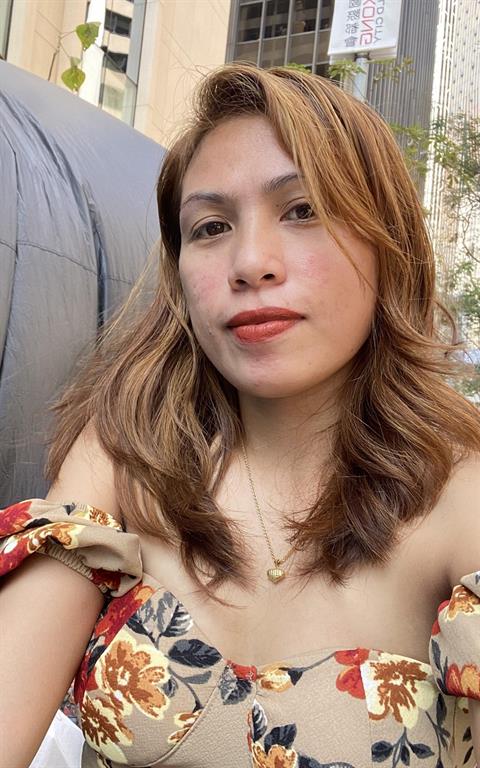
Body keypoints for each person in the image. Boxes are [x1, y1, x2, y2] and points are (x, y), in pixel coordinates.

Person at [1, 62, 480, 768]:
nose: (251, 262)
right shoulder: (125, 452)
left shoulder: (460, 490)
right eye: (211, 226)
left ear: (388, 243)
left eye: (303, 210)